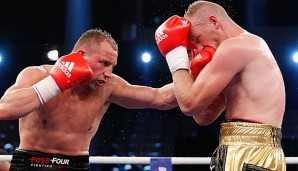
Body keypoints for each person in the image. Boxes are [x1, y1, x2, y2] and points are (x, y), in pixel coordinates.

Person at [0, 28, 178, 171]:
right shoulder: (37, 75)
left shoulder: (109, 87)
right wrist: (55, 83)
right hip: (31, 163)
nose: (109, 73)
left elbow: (159, 98)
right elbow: (5, 109)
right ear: (81, 55)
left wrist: (190, 71)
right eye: (104, 63)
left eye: (112, 66)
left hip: (76, 165)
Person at [154, 1, 286, 170]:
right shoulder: (248, 49)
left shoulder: (235, 47)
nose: (200, 48)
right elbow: (203, 116)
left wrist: (175, 56)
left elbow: (189, 104)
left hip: (248, 151)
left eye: (197, 39)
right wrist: (194, 68)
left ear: (214, 22)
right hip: (251, 149)